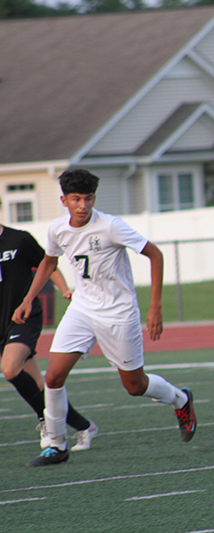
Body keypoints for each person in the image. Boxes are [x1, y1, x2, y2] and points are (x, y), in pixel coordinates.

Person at [13, 169, 197, 467]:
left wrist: (156, 307)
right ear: (64, 200)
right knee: (54, 376)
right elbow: (49, 261)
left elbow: (155, 254)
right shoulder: (58, 229)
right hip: (82, 309)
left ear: (94, 198)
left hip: (119, 313)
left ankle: (181, 399)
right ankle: (57, 444)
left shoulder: (111, 226)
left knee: (135, 386)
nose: (83, 205)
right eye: (76, 199)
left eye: (88, 198)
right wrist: (28, 299)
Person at [1, 223, 97, 451]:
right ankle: (84, 426)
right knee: (39, 386)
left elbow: (49, 264)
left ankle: (46, 422)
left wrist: (64, 288)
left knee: (10, 369)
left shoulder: (19, 239)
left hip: (22, 317)